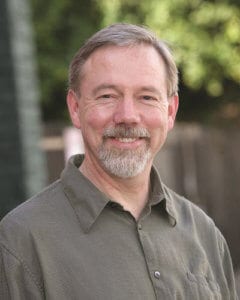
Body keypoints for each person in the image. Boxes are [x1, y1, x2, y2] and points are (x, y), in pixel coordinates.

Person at [0, 23, 238, 300]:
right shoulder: (20, 242)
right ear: (75, 108)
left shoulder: (204, 234)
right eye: (107, 96)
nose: (127, 116)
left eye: (146, 97)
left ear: (170, 111)